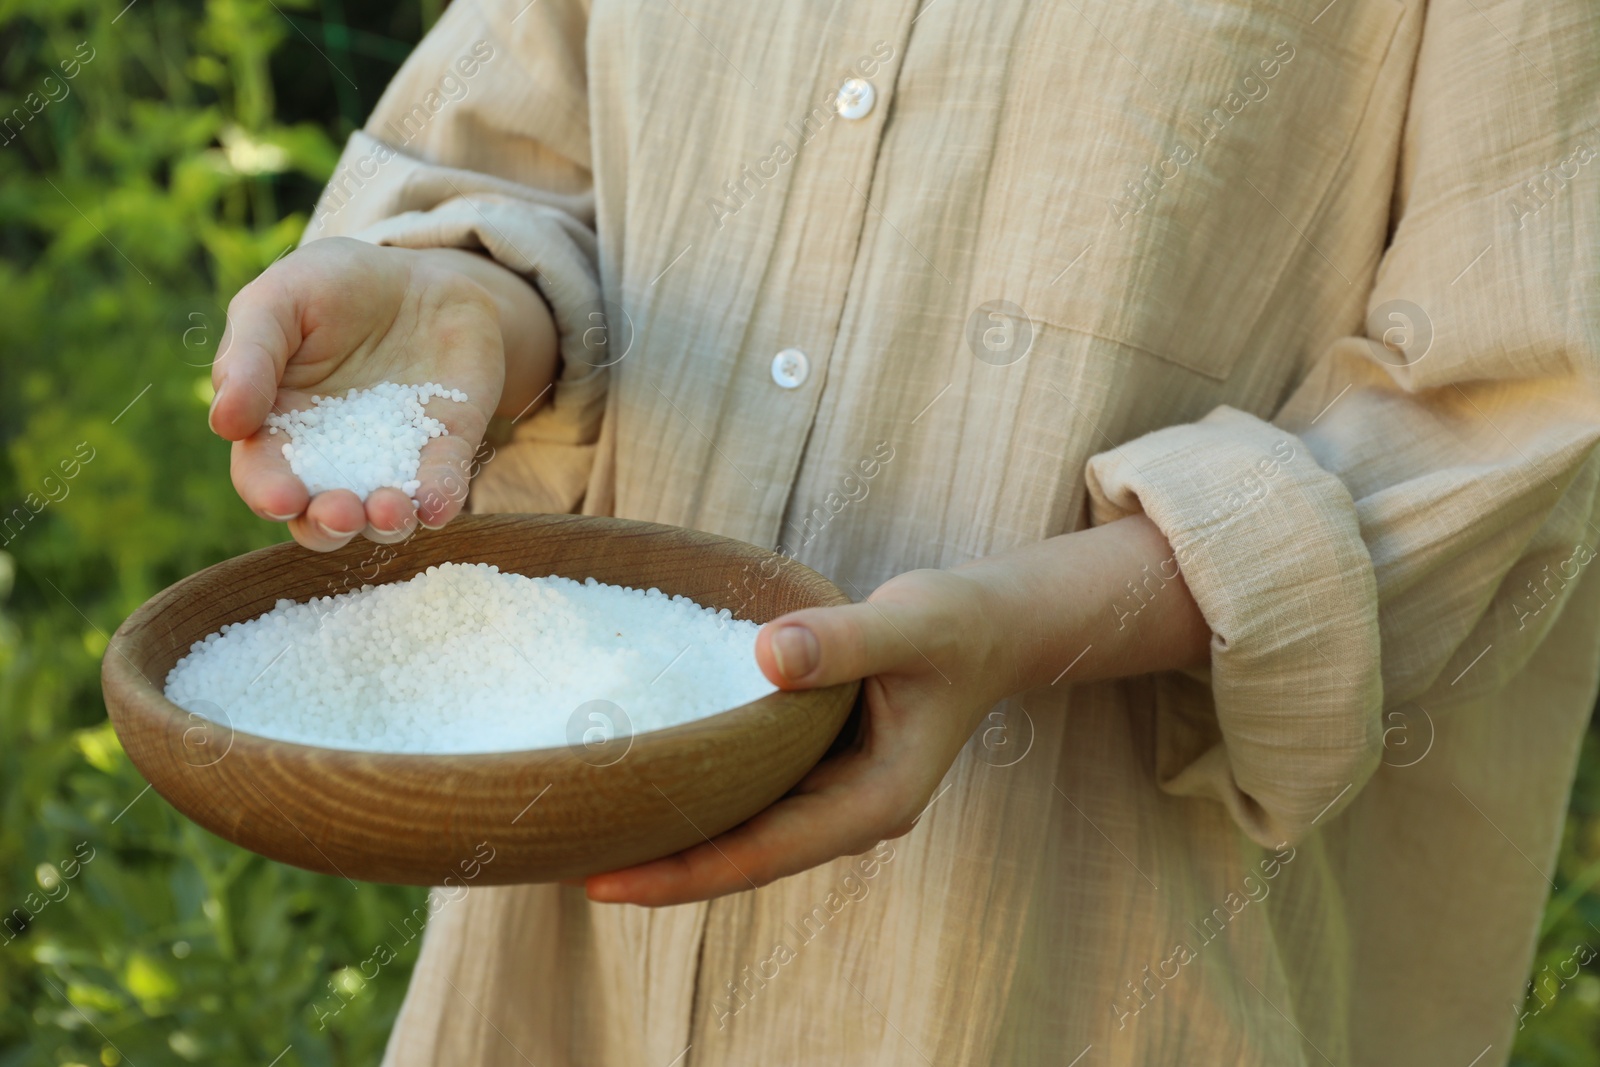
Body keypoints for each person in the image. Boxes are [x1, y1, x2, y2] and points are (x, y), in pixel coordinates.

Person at [206, 0, 1600, 1063]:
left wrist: (1034, 622)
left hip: (1082, 962)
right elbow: (529, 155)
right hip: (575, 942)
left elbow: (1512, 405)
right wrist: (477, 305)